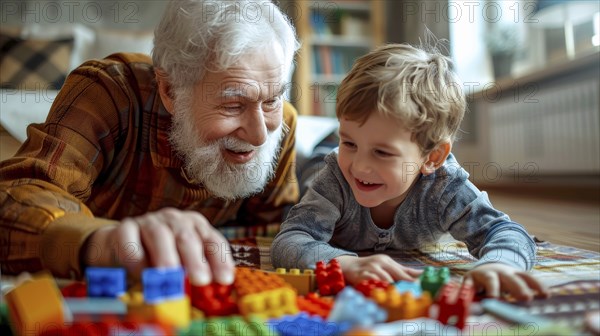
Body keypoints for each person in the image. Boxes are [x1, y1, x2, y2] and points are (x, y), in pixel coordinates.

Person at [0, 0, 300, 286]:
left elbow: (276, 237)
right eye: (233, 105)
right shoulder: (108, 93)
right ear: (169, 90)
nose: (261, 135)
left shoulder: (281, 126)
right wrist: (101, 241)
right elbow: (16, 200)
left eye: (272, 99)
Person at [272, 43, 548, 301]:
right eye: (351, 143)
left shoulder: (446, 187)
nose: (360, 166)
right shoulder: (335, 178)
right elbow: (291, 239)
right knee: (311, 164)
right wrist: (345, 264)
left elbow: (504, 232)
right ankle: (329, 140)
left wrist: (500, 264)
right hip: (320, 163)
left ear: (433, 157)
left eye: (382, 152)